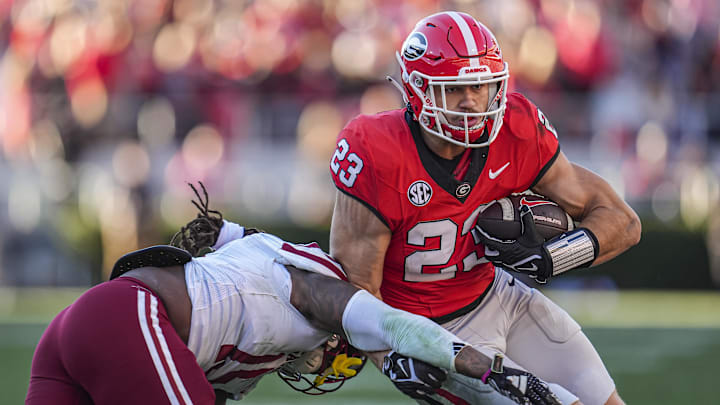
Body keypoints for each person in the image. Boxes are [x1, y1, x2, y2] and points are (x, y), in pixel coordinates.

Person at [328, 11, 641, 405]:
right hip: (435, 334)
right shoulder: (375, 149)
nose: (473, 102)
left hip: (499, 296)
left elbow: (622, 221)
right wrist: (392, 355)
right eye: (455, 90)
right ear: (418, 89)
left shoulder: (517, 127)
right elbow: (354, 292)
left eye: (481, 86)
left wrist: (552, 258)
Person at [26, 183, 561, 405]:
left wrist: (225, 232)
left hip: (87, 326)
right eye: (342, 355)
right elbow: (406, 329)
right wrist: (499, 371)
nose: (326, 365)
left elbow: (233, 239)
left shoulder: (266, 295)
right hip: (130, 317)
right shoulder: (317, 289)